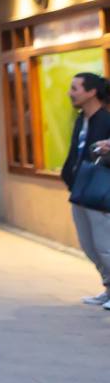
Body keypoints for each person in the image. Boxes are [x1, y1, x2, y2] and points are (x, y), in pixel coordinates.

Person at [62, 72, 110, 307]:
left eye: (75, 88)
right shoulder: (81, 119)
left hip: (99, 192)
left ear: (91, 92)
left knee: (105, 245)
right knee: (89, 245)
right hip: (80, 189)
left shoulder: (106, 120)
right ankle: (108, 288)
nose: (70, 93)